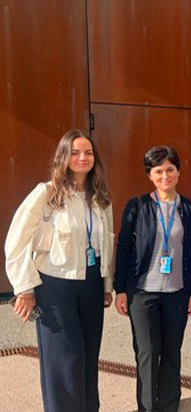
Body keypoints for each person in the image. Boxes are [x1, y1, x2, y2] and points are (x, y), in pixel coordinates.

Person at [4, 129, 114, 412]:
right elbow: (16, 241)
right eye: (75, 152)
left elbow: (107, 240)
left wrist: (105, 285)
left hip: (90, 282)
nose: (82, 158)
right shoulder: (47, 193)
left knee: (89, 355)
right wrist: (25, 289)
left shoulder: (100, 197)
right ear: (63, 157)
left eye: (88, 153)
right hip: (55, 286)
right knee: (65, 359)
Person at [114, 146, 191, 412]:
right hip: (143, 293)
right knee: (148, 354)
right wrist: (121, 289)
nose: (165, 175)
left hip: (177, 292)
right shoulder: (138, 206)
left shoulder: (190, 209)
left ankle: (169, 407)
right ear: (150, 176)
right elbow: (123, 249)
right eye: (158, 171)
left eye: (170, 169)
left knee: (171, 354)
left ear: (178, 172)